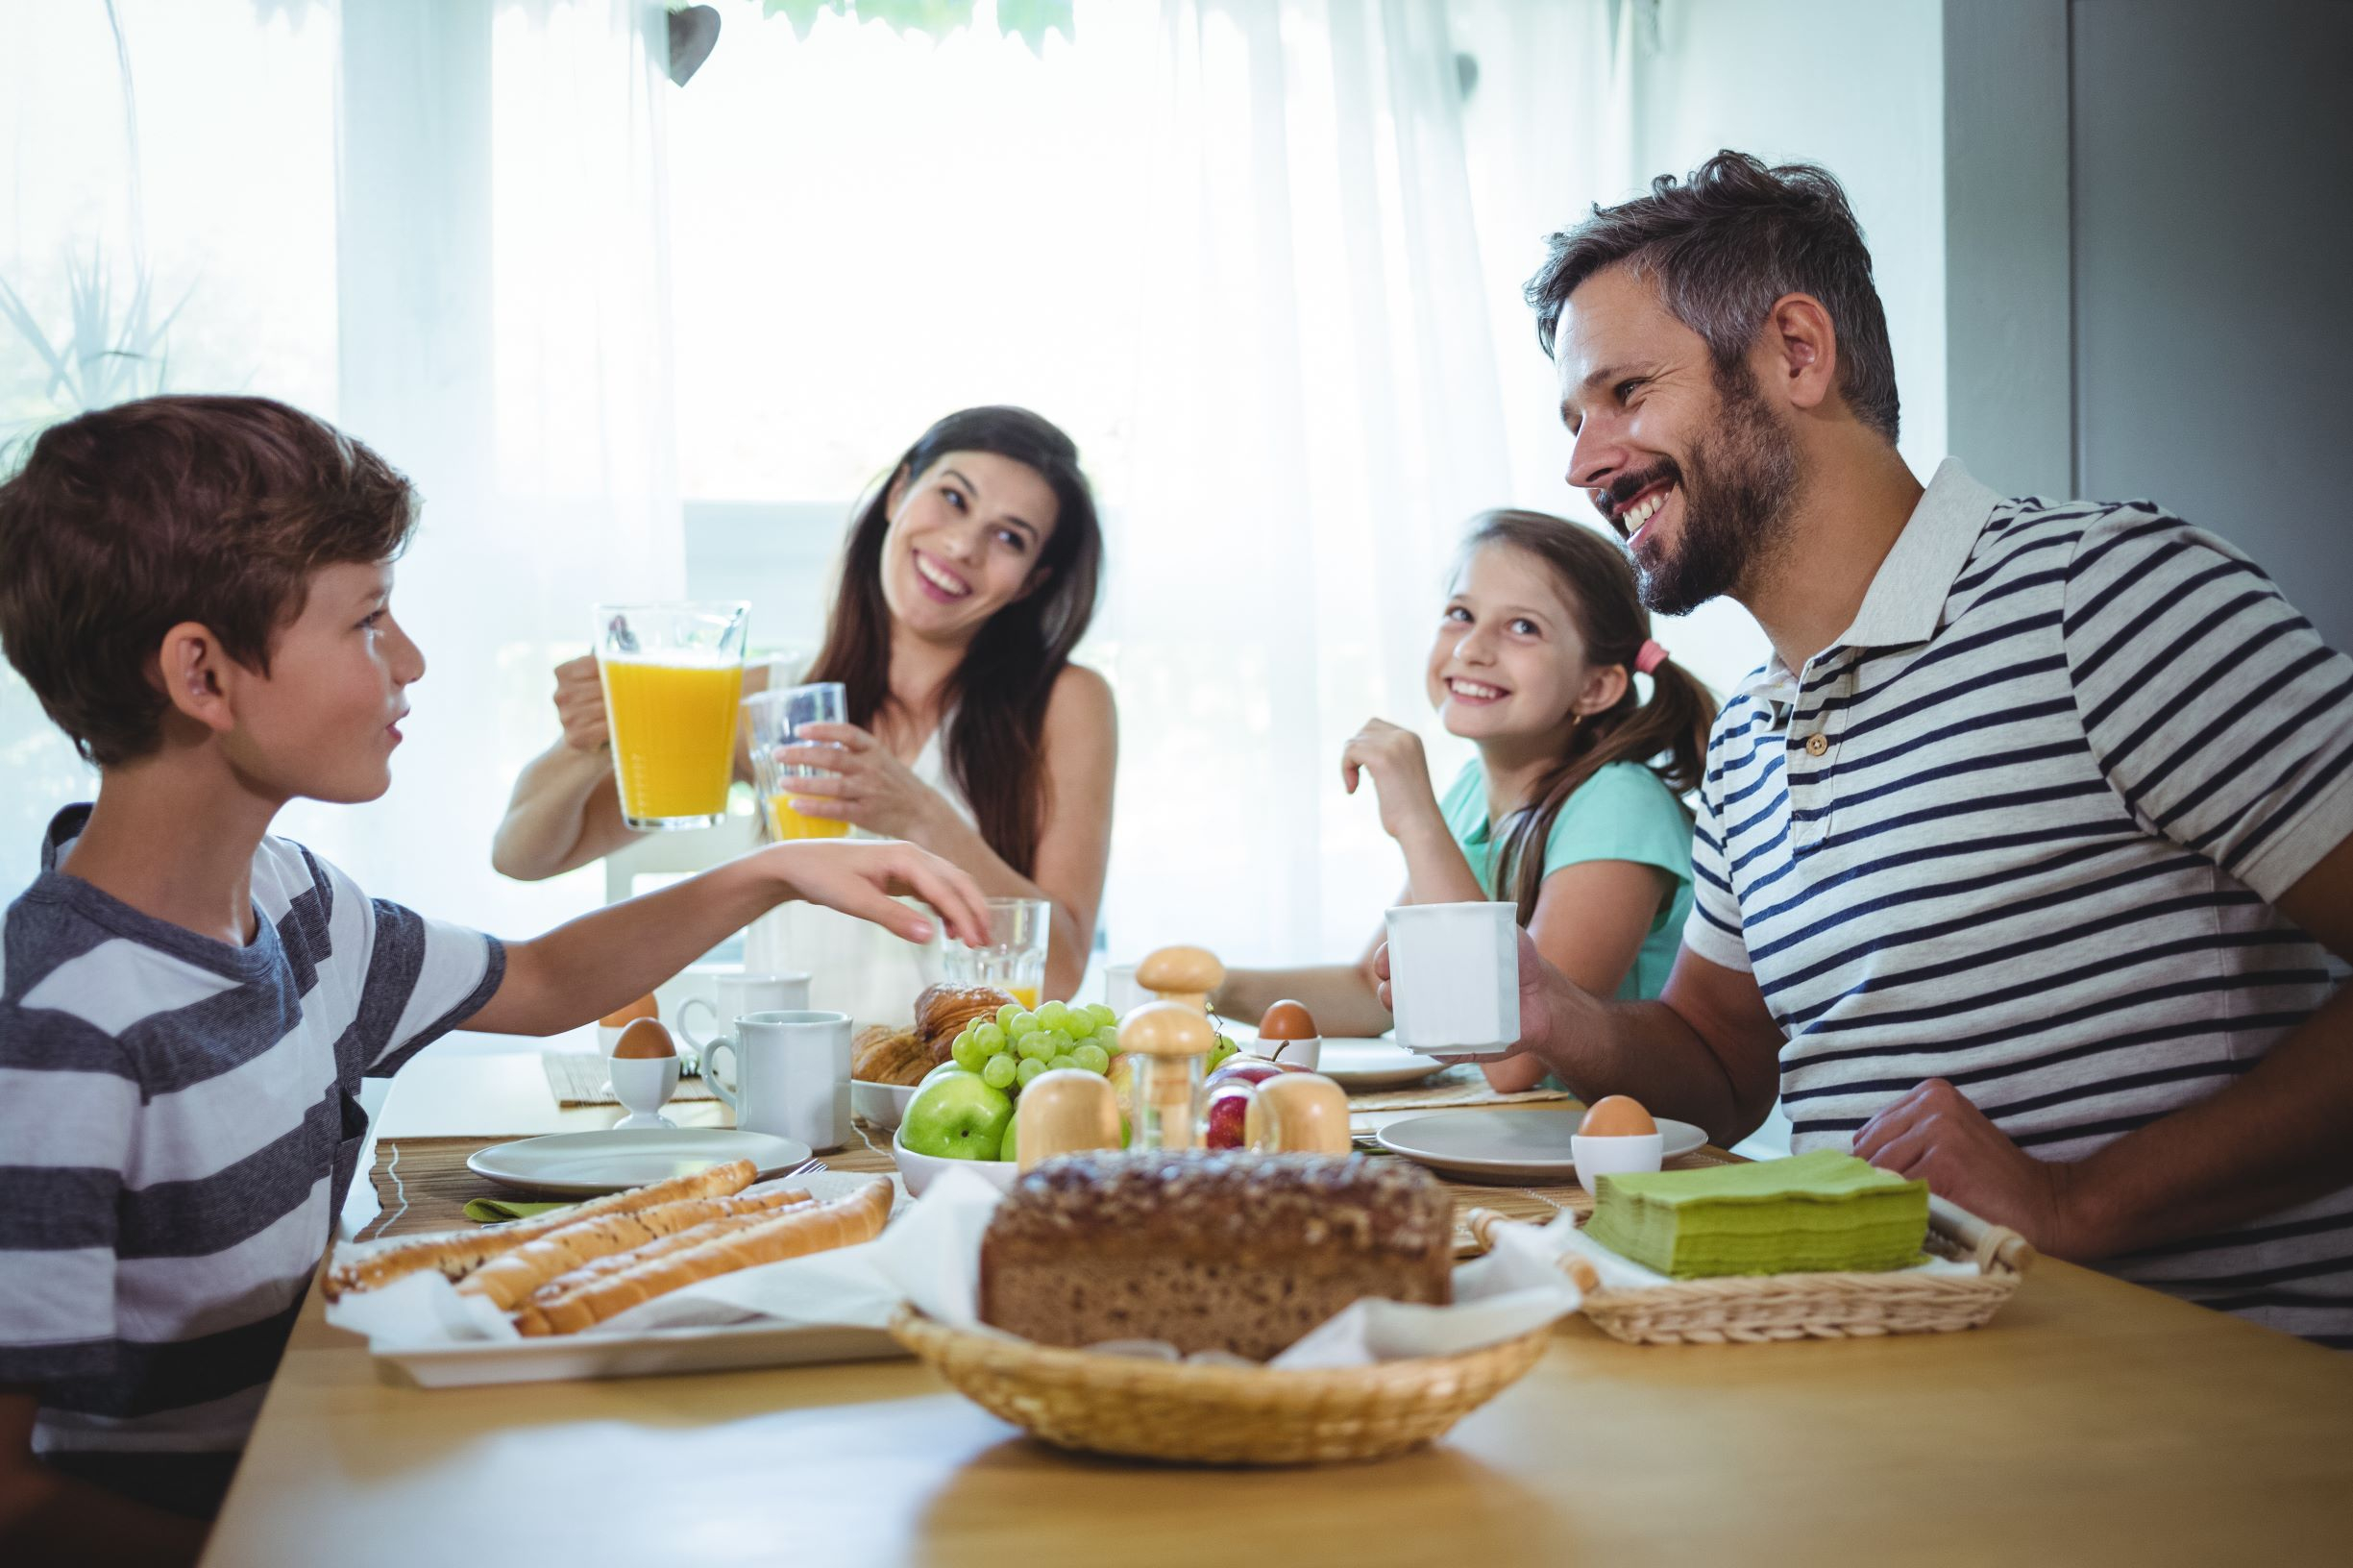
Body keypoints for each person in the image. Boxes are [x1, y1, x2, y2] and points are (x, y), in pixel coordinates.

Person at [1380, 151, 2353, 1345]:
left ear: (1797, 352)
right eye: (1575, 420)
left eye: (1625, 392)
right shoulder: (1749, 736)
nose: (1582, 464)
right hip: (1897, 1364)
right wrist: (1554, 1011)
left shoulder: (2103, 597)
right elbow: (1717, 1066)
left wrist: (2076, 1200)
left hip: (2190, 1390)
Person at [0, 396, 990, 1562]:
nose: (411, 662)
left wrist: (774, 871)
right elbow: (17, 1499)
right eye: (370, 621)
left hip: (324, 1453)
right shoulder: (61, 1025)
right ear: (202, 675)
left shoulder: (293, 902)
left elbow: (539, 977)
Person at [493, 406, 1115, 1020]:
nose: (962, 545)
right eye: (953, 499)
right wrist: (589, 743)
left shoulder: (1066, 703)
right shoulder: (772, 701)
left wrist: (919, 814)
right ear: (898, 492)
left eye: (1009, 538)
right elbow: (524, 857)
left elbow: (1059, 973)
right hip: (783, 1072)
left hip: (957, 1078)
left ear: (1032, 580)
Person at [1220, 509, 1707, 1091]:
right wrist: (1212, 986)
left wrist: (1417, 819)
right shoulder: (1472, 794)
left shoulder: (1621, 807)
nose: (1472, 648)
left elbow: (1514, 1057)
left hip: (1596, 1144)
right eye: (1461, 614)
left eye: (1523, 627)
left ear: (1595, 686)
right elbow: (1368, 993)